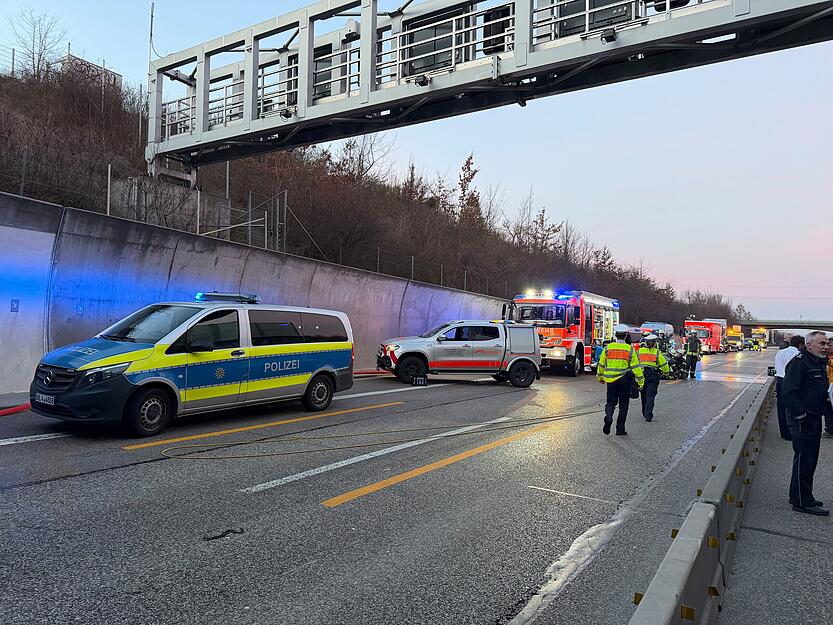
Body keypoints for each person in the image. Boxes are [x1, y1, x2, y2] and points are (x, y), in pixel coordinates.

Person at [782, 330, 830, 516]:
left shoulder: (816, 363)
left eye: (827, 343)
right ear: (809, 345)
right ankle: (803, 502)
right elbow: (788, 392)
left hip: (814, 417)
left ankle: (799, 495)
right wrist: (800, 415)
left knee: (809, 459)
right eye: (822, 343)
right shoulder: (800, 363)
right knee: (805, 459)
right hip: (804, 420)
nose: (826, 347)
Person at [597, 324, 645, 436]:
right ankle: (620, 429)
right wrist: (640, 381)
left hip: (611, 380)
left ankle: (608, 417)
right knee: (624, 404)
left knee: (610, 402)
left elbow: (601, 364)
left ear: (615, 335)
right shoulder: (630, 349)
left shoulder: (608, 348)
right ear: (626, 335)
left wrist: (600, 377)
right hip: (625, 380)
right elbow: (636, 368)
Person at [774, 335, 805, 440]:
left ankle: (784, 432)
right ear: (800, 345)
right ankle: (791, 433)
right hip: (789, 382)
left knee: (781, 408)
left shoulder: (780, 352)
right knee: (790, 407)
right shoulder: (797, 354)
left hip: (779, 380)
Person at [638, 334, 670, 422]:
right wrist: (666, 373)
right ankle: (648, 415)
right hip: (653, 376)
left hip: (642, 376)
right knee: (650, 396)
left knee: (643, 395)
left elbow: (635, 364)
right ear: (654, 343)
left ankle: (644, 412)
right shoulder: (657, 352)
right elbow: (664, 365)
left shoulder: (639, 351)